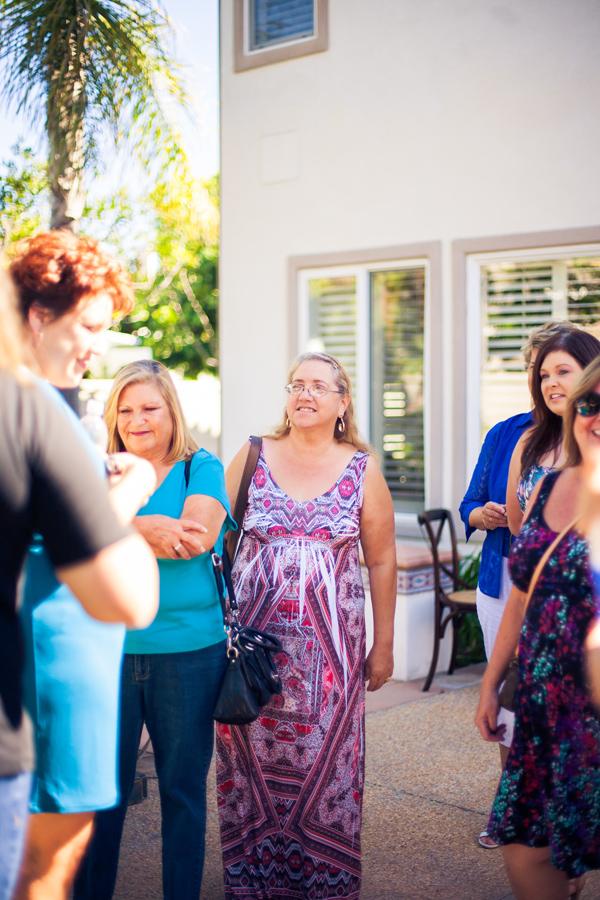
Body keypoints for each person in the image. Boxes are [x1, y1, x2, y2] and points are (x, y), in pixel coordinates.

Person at [0, 266, 158, 900]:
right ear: (38, 317)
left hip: (74, 647)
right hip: (51, 645)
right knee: (44, 867)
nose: (99, 345)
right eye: (89, 325)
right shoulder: (34, 412)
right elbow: (124, 593)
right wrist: (133, 492)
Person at [216, 351, 397, 900]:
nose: (305, 393)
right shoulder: (252, 456)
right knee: (248, 769)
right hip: (250, 657)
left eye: (320, 385)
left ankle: (324, 883)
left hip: (333, 662)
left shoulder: (362, 470)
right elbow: (217, 544)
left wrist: (383, 644)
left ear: (343, 403)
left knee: (330, 772)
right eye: (297, 384)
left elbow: (383, 558)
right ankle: (252, 883)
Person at [74, 360, 235, 900]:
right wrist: (144, 528)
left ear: (172, 411)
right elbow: (63, 540)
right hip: (106, 651)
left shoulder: (200, 466)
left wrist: (110, 527)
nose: (137, 420)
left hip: (190, 653)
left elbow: (195, 538)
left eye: (149, 408)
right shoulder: (93, 471)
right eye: (126, 410)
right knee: (102, 795)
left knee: (183, 793)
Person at [475, 355, 600, 900]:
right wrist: (490, 680)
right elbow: (522, 593)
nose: (596, 416)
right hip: (545, 701)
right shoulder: (546, 487)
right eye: (589, 405)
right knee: (527, 847)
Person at [460, 321, 580, 849]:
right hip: (509, 582)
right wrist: (483, 515)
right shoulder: (516, 435)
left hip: (579, 606)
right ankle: (513, 805)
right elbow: (500, 515)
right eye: (540, 370)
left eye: (561, 371)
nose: (549, 380)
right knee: (513, 701)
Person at [506, 329, 600, 535]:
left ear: (592, 373)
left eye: (563, 371)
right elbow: (516, 525)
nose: (551, 383)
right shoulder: (530, 441)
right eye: (544, 376)